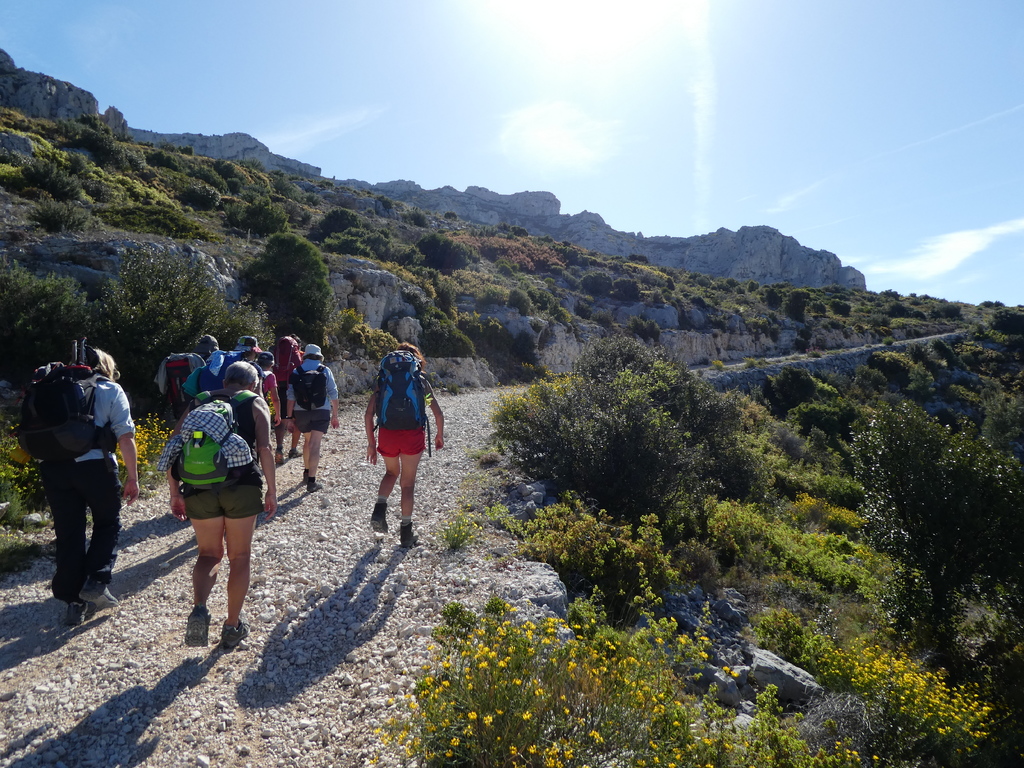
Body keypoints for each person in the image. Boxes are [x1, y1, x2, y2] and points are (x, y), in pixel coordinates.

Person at [158, 361, 277, 649]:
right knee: (240, 556)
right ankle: (232, 625)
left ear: (225, 381)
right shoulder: (254, 401)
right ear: (253, 384)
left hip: (198, 487)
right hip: (241, 487)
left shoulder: (200, 401)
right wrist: (272, 491)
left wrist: (175, 493)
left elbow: (174, 445)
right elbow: (264, 448)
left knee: (209, 554)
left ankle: (200, 608)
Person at [38, 347, 139, 626]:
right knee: (107, 522)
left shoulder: (53, 387)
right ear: (106, 365)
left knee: (69, 532)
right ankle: (96, 580)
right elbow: (125, 437)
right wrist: (133, 477)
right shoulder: (110, 389)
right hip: (96, 467)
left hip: (54, 468)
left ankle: (73, 601)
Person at [364, 343, 444, 548]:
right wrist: (439, 435)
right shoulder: (420, 381)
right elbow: (436, 411)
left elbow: (368, 414)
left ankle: (379, 509)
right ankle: (406, 534)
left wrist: (371, 444)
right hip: (412, 435)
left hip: (387, 433)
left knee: (391, 473)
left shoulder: (383, 380)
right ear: (415, 361)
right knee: (407, 484)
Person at [286, 344, 339, 493]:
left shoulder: (297, 371)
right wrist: (335, 415)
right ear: (319, 356)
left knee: (308, 441)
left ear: (305, 356)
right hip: (321, 410)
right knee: (315, 445)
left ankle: (306, 471)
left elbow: (290, 396)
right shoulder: (325, 370)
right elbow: (333, 393)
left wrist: (289, 418)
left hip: (301, 412)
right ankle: (311, 482)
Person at [272, 335, 303, 464]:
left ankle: (279, 448)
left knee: (281, 420)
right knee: (296, 420)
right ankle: (293, 449)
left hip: (279, 388)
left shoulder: (277, 353)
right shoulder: (299, 355)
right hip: (294, 389)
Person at [255, 351, 283, 430]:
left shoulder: (250, 372)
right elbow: (275, 398)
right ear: (271, 364)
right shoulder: (270, 375)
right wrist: (278, 414)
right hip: (261, 405)